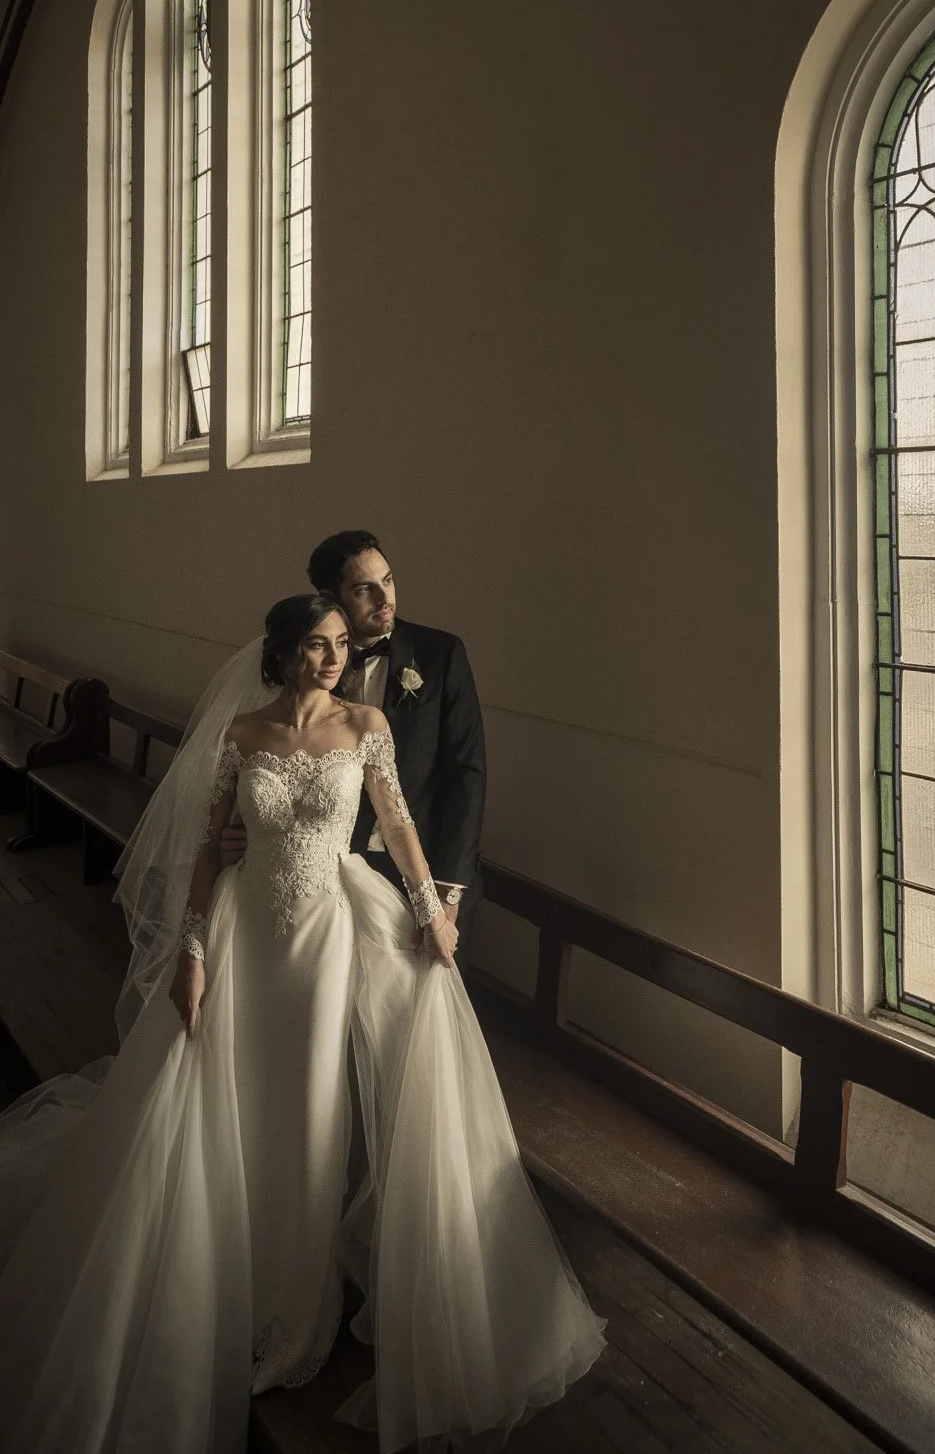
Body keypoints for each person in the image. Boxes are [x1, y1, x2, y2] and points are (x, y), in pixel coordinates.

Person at [0, 593, 604, 1453]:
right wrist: (195, 952)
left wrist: (432, 908)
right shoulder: (241, 734)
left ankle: (298, 1303)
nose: (332, 656)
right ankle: (229, 1273)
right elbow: (210, 844)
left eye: (338, 645)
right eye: (316, 646)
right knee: (237, 1098)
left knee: (312, 1110)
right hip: (247, 940)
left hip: (326, 938)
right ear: (280, 656)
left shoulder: (365, 725)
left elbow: (394, 823)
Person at [222, 530, 486, 950]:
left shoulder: (440, 654)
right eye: (365, 589)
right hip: (328, 879)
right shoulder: (308, 666)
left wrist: (445, 894)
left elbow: (466, 775)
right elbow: (280, 760)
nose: (385, 599)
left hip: (422, 872)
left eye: (389, 580)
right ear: (331, 595)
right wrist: (241, 830)